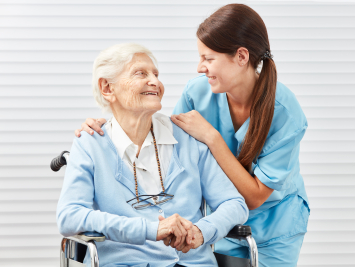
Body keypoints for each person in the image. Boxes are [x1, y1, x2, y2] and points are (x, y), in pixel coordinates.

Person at [76, 4, 310, 266]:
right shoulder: (197, 93)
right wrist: (107, 122)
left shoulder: (286, 113)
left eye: (208, 58)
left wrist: (213, 138)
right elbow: (158, 137)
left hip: (274, 225)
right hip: (222, 224)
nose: (200, 67)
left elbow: (254, 197)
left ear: (242, 56)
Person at [58, 42, 248, 267]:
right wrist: (150, 229)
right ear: (108, 88)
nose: (155, 82)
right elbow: (69, 216)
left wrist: (202, 231)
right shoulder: (91, 144)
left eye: (156, 74)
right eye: (141, 73)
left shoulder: (187, 138)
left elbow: (234, 204)